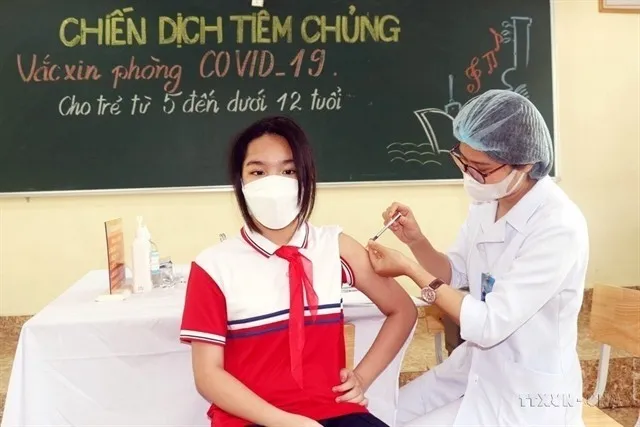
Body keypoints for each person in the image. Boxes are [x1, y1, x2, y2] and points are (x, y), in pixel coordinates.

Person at [366, 90, 589, 426]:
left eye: (482, 169)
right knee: (377, 413)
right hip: (475, 371)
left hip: (527, 398)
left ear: (526, 163)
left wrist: (411, 269)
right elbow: (453, 273)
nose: (470, 176)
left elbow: (488, 324)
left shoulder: (558, 226)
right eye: (463, 162)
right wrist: (416, 241)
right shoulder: (489, 201)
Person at [180, 116, 418, 427]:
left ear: (306, 177)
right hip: (250, 419)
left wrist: (361, 377)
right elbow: (208, 375)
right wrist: (286, 422)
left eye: (288, 171)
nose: (273, 182)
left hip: (333, 412)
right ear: (240, 181)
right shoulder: (214, 266)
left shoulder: (334, 247)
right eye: (258, 171)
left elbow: (403, 310)